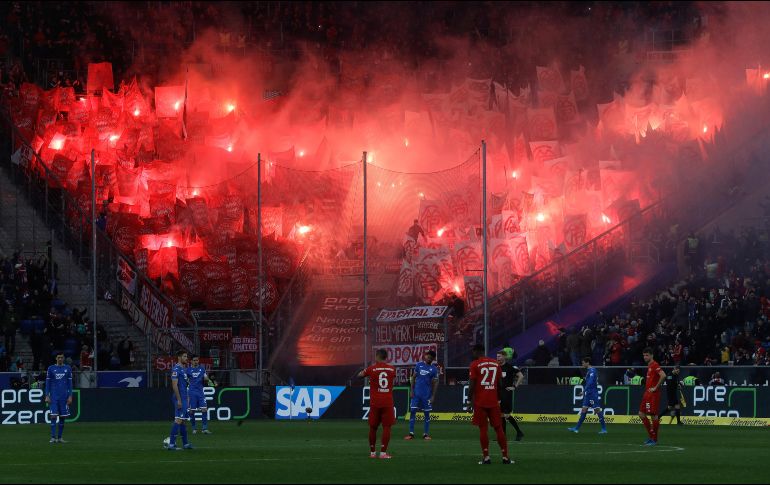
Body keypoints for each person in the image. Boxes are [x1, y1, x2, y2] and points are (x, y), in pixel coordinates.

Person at [466, 344, 511, 465]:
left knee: (483, 429)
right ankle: (505, 457)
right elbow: (500, 384)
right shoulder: (495, 363)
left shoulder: (474, 364)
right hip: (493, 401)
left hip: (480, 402)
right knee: (499, 428)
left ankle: (486, 458)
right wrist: (499, 399)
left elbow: (471, 385)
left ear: (476, 351)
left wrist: (469, 401)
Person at [358, 349, 396, 459]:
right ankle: (383, 453)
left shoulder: (371, 368)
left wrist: (369, 378)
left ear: (377, 356)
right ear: (386, 357)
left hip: (375, 402)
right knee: (387, 427)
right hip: (387, 402)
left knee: (373, 427)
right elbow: (392, 381)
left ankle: (373, 453)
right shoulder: (392, 369)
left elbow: (360, 375)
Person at [568, 356, 607, 434]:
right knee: (584, 410)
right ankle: (576, 428)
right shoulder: (589, 371)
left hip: (592, 394)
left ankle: (604, 429)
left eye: (583, 363)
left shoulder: (592, 370)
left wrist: (584, 390)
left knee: (597, 410)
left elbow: (590, 382)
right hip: (588, 395)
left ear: (587, 363)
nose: (582, 364)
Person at [405, 350, 439, 440]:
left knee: (427, 414)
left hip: (426, 395)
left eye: (431, 358)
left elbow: (436, 383)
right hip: (416, 394)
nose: (428, 358)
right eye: (428, 356)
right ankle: (411, 433)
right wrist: (411, 390)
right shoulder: (418, 365)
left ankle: (426, 434)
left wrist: (433, 396)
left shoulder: (434, 369)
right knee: (413, 412)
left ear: (433, 359)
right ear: (425, 356)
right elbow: (413, 378)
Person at [166, 350, 193, 451]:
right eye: (184, 356)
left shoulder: (184, 369)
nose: (186, 358)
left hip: (184, 397)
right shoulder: (176, 369)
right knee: (178, 420)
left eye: (186, 356)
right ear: (179, 357)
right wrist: (179, 400)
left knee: (183, 421)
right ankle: (171, 444)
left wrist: (187, 398)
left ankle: (185, 444)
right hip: (180, 397)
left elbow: (186, 386)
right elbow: (174, 385)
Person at [639, 347, 666, 446]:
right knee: (641, 414)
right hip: (647, 393)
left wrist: (655, 388)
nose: (645, 357)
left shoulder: (654, 365)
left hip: (653, 394)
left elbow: (663, 375)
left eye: (647, 355)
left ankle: (654, 439)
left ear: (652, 355)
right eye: (644, 355)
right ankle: (651, 436)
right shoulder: (649, 365)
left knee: (653, 415)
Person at [45, 352, 72, 443]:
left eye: (61, 357)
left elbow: (70, 384)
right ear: (56, 358)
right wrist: (47, 395)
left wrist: (70, 396)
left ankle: (60, 438)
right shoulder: (51, 368)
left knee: (62, 417)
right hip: (53, 396)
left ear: (63, 358)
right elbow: (47, 383)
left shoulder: (67, 368)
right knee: (53, 416)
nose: (60, 359)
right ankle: (53, 437)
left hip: (64, 396)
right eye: (58, 357)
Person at [497, 350, 524, 441]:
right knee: (501, 415)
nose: (497, 358)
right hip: (498, 393)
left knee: (506, 415)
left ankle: (519, 432)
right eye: (497, 356)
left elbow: (521, 376)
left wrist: (515, 387)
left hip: (507, 392)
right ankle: (503, 436)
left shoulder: (510, 367)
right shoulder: (496, 367)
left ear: (504, 357)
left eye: (499, 356)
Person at [187, 355, 215, 434]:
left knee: (204, 409)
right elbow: (185, 380)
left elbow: (205, 377)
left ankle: (204, 429)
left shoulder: (202, 369)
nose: (196, 362)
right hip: (192, 392)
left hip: (200, 392)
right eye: (194, 360)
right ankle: (194, 428)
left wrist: (207, 380)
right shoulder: (188, 370)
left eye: (197, 360)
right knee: (191, 411)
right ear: (191, 361)